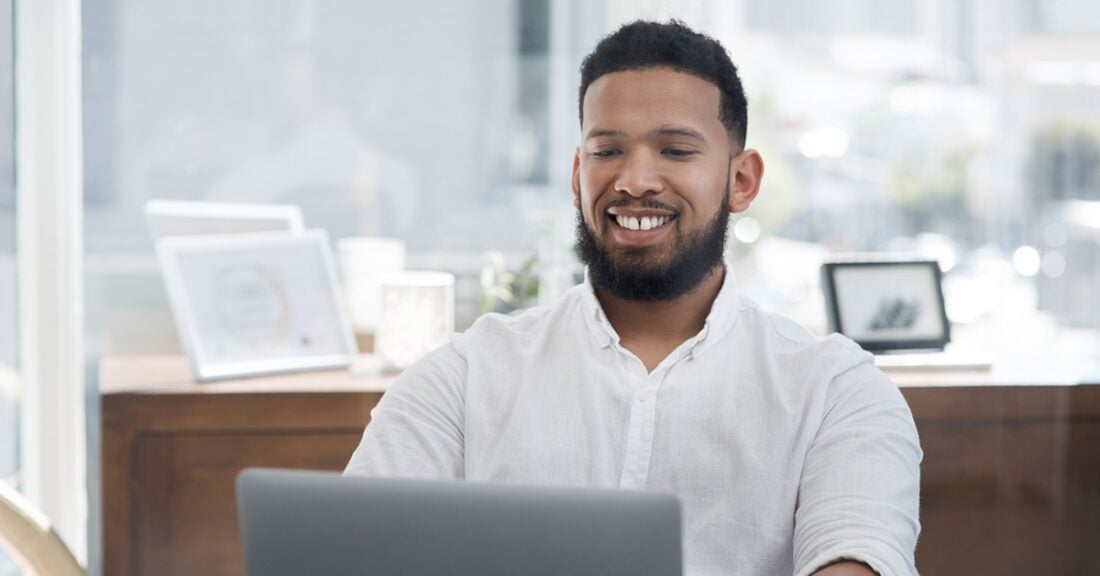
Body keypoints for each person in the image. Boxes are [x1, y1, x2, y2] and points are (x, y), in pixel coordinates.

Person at [345, 20, 921, 576]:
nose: (635, 179)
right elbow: (357, 552)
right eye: (607, 151)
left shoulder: (838, 392)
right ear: (577, 177)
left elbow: (857, 554)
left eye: (675, 151)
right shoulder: (463, 378)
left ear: (741, 181)